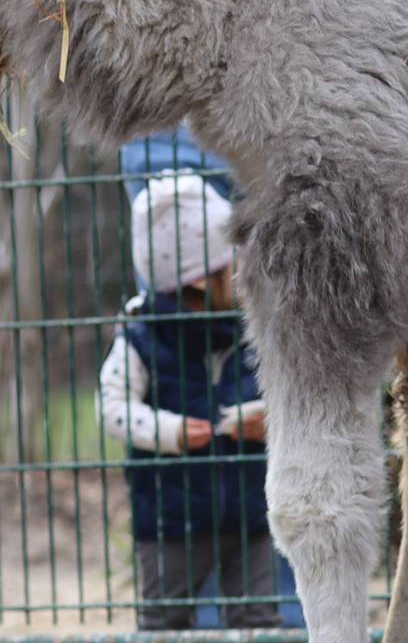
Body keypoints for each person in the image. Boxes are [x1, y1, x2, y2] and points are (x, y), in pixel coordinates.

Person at [98, 124, 295, 631]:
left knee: (259, 620)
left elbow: (293, 395)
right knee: (165, 621)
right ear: (196, 279)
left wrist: (268, 420)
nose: (243, 269)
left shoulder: (251, 328)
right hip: (170, 521)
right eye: (229, 264)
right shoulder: (141, 339)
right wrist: (169, 434)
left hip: (249, 512)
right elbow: (113, 406)